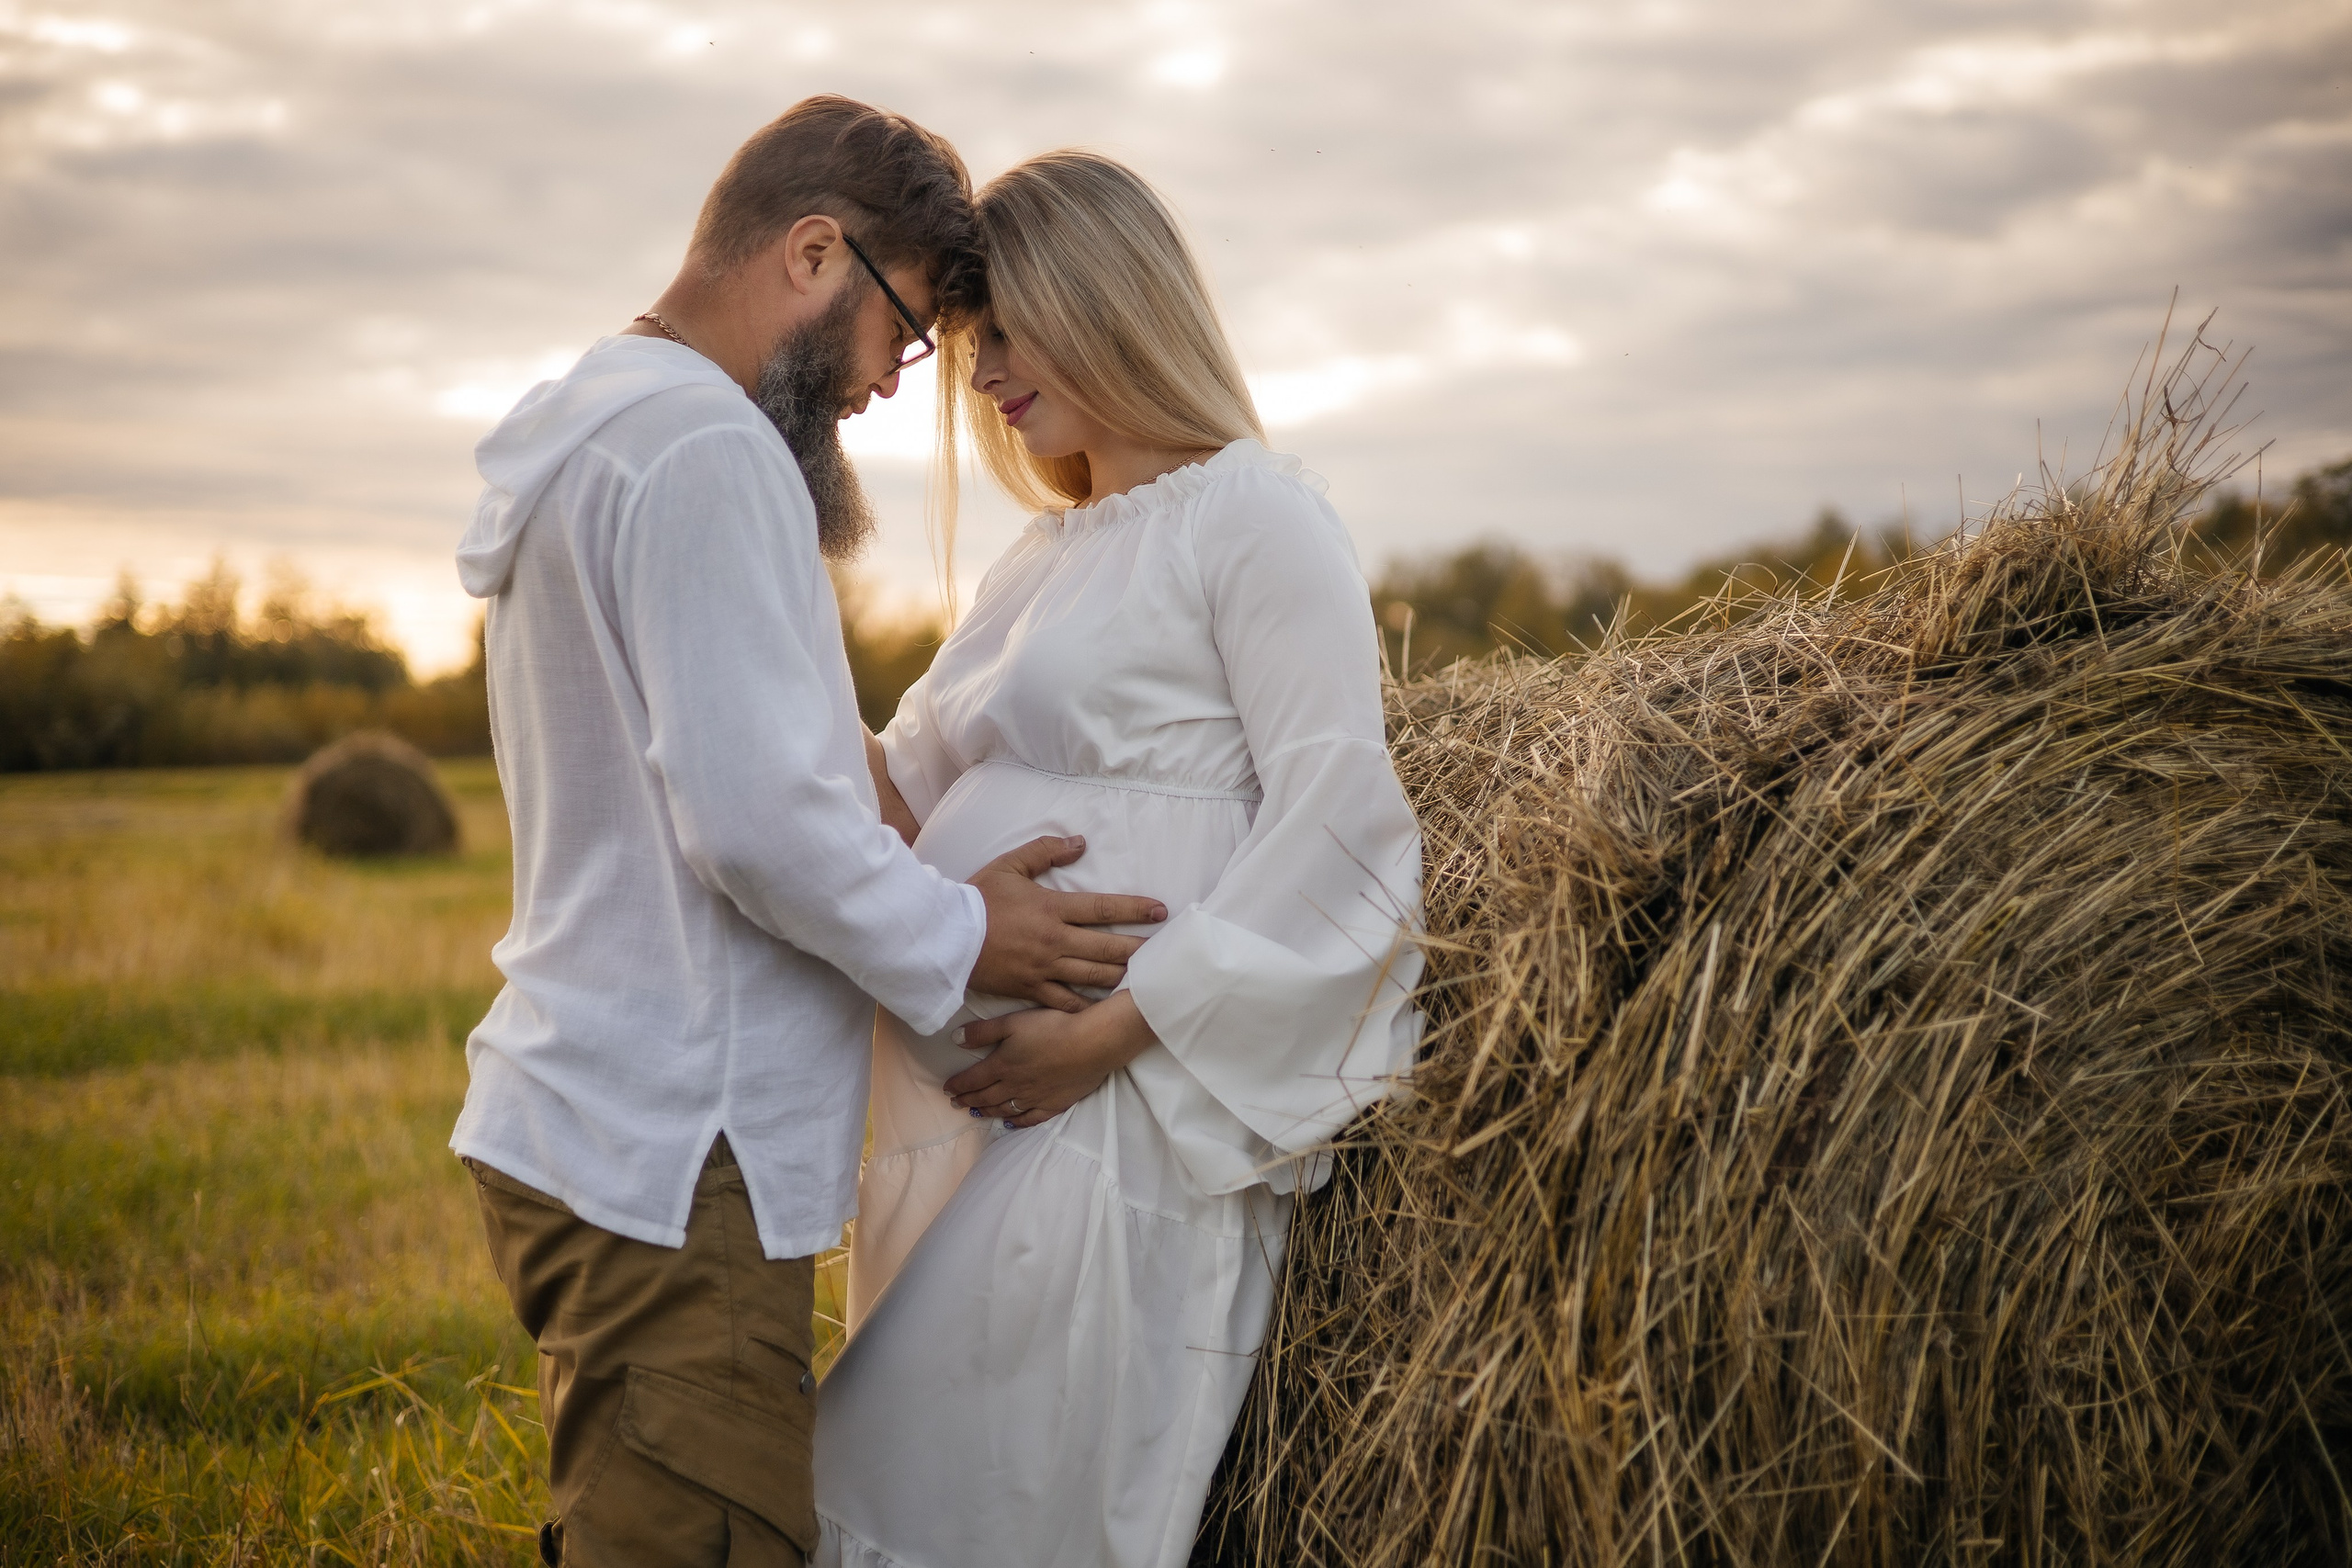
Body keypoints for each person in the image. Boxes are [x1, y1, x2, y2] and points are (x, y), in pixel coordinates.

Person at [449, 99, 1167, 1568]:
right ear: (815, 253)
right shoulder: (705, 452)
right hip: (678, 1144)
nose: (890, 385)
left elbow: (764, 747)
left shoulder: (604, 423)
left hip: (597, 1110)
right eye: (903, 332)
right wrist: (969, 934)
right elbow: (755, 822)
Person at [813, 151, 1425, 1568]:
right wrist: (764, 607)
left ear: (1103, 300)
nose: (983, 378)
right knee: (914, 1483)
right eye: (971, 345)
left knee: (1000, 1500)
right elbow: (902, 788)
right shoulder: (1044, 557)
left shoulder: (1255, 515)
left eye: (1005, 333)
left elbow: (1341, 818)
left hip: (1123, 1108)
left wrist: (1105, 1036)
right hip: (978, 1110)